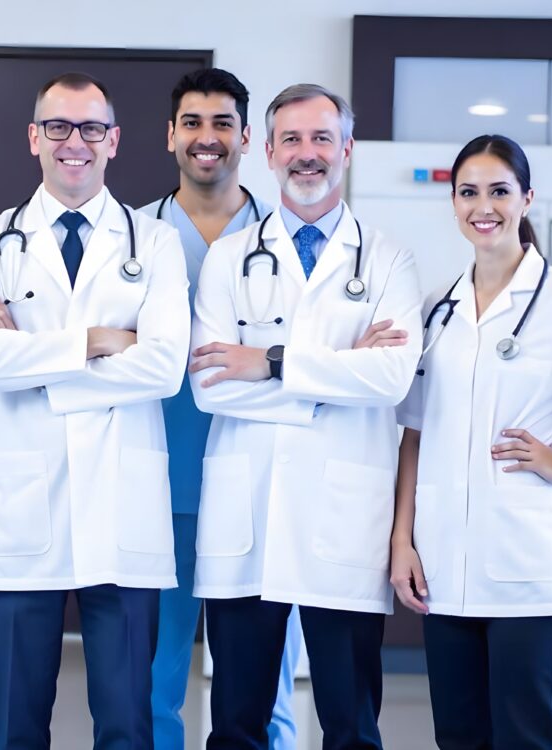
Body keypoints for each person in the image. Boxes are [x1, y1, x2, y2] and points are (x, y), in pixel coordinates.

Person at [0, 72, 190, 750]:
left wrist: (33, 356)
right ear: (34, 138)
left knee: (126, 723)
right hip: (23, 510)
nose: (74, 142)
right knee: (16, 723)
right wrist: (95, 343)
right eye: (58, 126)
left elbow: (166, 367)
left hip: (122, 512)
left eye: (90, 128)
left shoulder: (155, 243)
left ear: (113, 140)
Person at [189, 83, 422, 749]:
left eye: (322, 138)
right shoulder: (230, 258)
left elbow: (390, 377)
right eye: (291, 139)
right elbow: (210, 384)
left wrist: (267, 359)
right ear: (267, 151)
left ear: (347, 150)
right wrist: (337, 368)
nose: (307, 153)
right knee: (235, 725)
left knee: (351, 727)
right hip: (250, 512)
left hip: (343, 521)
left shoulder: (387, 258)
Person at [142, 67, 303, 750]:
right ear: (169, 135)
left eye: (222, 125)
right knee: (154, 676)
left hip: (263, 482)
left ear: (246, 138)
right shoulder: (132, 238)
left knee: (268, 681)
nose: (207, 138)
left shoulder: (294, 241)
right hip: (159, 481)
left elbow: (322, 356)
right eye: (192, 123)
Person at [392, 134, 552, 750]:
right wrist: (403, 539)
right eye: (468, 193)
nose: (482, 206)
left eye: (499, 191)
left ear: (526, 198)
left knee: (527, 734)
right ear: (453, 202)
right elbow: (414, 433)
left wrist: (549, 459)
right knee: (458, 734)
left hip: (529, 565)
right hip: (444, 561)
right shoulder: (436, 308)